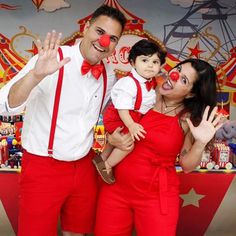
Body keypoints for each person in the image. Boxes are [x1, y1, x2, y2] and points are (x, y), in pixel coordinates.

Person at [0, 5, 130, 236]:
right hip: (43, 166)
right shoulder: (51, 58)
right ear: (86, 28)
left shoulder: (108, 74)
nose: (104, 41)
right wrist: (36, 75)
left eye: (112, 38)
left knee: (77, 231)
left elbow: (113, 114)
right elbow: (5, 106)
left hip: (84, 165)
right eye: (99, 31)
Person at [94, 58, 222, 236]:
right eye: (177, 69)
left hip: (156, 197)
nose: (174, 76)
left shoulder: (186, 120)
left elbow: (187, 165)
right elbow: (113, 123)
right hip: (115, 189)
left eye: (184, 80)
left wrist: (200, 143)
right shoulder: (140, 93)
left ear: (191, 94)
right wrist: (112, 138)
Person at [92, 39, 166, 184]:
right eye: (144, 60)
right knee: (127, 144)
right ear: (132, 63)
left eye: (155, 62)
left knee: (117, 140)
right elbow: (122, 108)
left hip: (131, 117)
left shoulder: (150, 84)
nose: (150, 65)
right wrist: (131, 125)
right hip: (119, 116)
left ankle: (101, 159)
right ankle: (107, 166)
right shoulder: (129, 83)